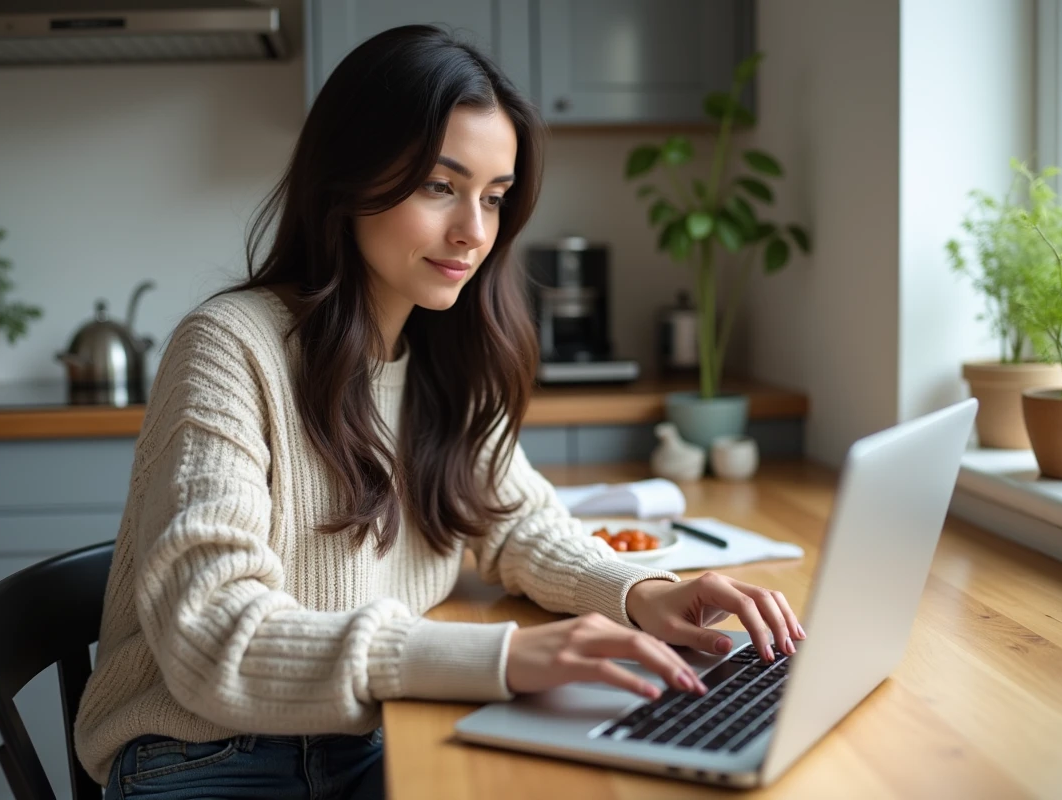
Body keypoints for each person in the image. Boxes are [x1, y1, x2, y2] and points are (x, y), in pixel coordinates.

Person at [73, 24, 805, 800]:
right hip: (207, 756)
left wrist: (642, 594)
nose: (475, 232)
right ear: (348, 179)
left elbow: (517, 523)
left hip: (373, 728)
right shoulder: (231, 347)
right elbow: (211, 634)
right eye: (438, 187)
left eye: (494, 197)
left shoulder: (448, 351)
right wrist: (497, 660)